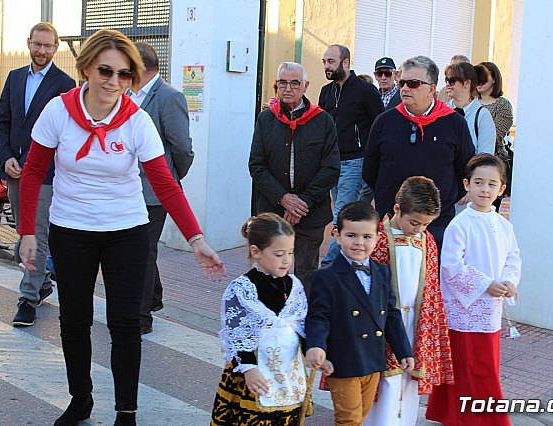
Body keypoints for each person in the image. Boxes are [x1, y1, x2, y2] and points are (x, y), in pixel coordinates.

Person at [17, 29, 225, 426]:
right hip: (71, 229)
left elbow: (165, 182)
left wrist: (195, 238)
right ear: (85, 69)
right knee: (74, 320)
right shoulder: (58, 112)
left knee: (126, 324)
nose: (115, 82)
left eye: (125, 75)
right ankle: (81, 401)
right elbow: (33, 173)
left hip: (126, 231)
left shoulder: (137, 120)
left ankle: (125, 413)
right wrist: (28, 231)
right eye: (106, 71)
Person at [426, 154, 522, 426]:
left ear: (502, 189)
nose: (485, 190)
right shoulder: (461, 223)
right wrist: (485, 284)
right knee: (469, 367)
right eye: (478, 182)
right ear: (466, 184)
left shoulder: (504, 225)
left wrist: (508, 281)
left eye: (492, 184)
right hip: (464, 310)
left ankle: (456, 415)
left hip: (490, 308)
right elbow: (451, 266)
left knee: (483, 365)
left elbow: (513, 257)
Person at [211, 213, 328, 425]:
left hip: (288, 375)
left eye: (291, 253)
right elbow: (236, 334)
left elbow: (301, 324)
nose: (286, 260)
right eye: (279, 254)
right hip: (255, 375)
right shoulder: (242, 289)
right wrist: (249, 368)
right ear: (256, 252)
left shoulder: (294, 286)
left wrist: (314, 348)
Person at [0, 22, 76, 326]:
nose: (42, 51)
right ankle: (41, 283)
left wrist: (30, 162)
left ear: (56, 48)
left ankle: (27, 298)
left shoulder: (65, 84)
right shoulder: (15, 78)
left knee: (36, 234)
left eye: (48, 45)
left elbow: (65, 134)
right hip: (14, 171)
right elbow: (2, 122)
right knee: (22, 231)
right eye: (37, 44)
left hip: (43, 174)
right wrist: (6, 158)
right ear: (28, 43)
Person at [306, 201, 415, 426]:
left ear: (377, 237)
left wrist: (404, 350)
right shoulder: (325, 276)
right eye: (351, 235)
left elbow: (392, 315)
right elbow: (318, 316)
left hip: (372, 359)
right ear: (337, 235)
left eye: (367, 237)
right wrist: (316, 345)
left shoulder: (382, 272)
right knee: (349, 420)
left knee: (361, 417)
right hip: (342, 360)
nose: (359, 243)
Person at [364, 176, 454, 426]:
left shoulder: (427, 242)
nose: (419, 229)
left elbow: (432, 291)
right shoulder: (376, 239)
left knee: (408, 385)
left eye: (426, 225)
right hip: (384, 323)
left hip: (415, 322)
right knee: (384, 385)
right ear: (397, 209)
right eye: (414, 222)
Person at [363, 55, 475, 249]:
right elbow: (370, 170)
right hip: (391, 222)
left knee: (430, 277)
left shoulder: (454, 123)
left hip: (436, 224)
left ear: (431, 89)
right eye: (402, 82)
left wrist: (443, 200)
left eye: (413, 83)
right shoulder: (384, 121)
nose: (405, 88)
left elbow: (465, 169)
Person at [249, 62, 339, 294]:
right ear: (277, 85)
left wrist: (303, 202)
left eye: (294, 83)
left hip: (311, 212)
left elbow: (330, 168)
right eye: (283, 83)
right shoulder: (265, 120)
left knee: (306, 272)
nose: (288, 88)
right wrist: (283, 198)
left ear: (305, 86)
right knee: (269, 270)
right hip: (272, 210)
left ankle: (303, 324)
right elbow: (257, 165)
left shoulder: (324, 121)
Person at [130, 41, 195, 335]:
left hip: (155, 191)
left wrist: (170, 178)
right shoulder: (129, 95)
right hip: (128, 188)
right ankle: (153, 296)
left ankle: (142, 317)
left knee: (142, 252)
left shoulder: (169, 97)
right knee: (141, 248)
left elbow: (182, 148)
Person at [319, 44, 384, 267]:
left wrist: (373, 158)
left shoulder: (365, 91)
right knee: (348, 217)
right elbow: (321, 126)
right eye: (324, 61)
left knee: (341, 216)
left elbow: (379, 124)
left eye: (331, 61)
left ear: (345, 62)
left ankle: (328, 267)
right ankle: (352, 264)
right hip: (332, 163)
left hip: (356, 161)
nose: (326, 66)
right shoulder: (326, 92)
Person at [476, 61, 515, 209]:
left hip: (492, 162)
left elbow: (496, 135)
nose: (479, 81)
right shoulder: (469, 103)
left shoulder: (502, 105)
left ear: (493, 78)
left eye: (483, 77)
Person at [445, 62, 496, 155]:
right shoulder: (442, 111)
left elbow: (485, 158)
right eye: (446, 80)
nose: (448, 84)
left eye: (452, 80)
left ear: (467, 83)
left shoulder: (482, 115)